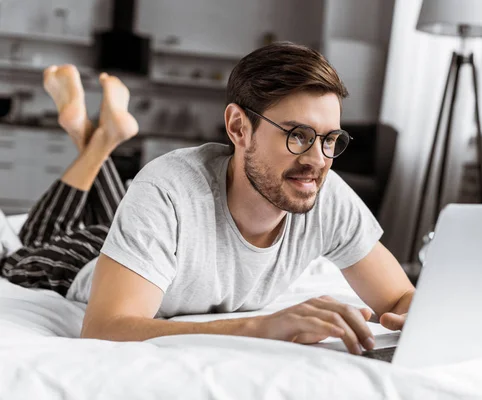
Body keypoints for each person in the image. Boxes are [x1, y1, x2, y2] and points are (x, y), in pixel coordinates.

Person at [78, 42, 415, 355]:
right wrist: (264, 327)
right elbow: (104, 328)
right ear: (239, 127)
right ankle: (84, 133)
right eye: (297, 135)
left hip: (151, 239)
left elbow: (401, 297)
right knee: (52, 230)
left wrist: (418, 317)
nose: (318, 160)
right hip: (77, 258)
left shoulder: (326, 195)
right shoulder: (168, 189)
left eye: (330, 140)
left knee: (111, 203)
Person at [0, 65, 139, 294]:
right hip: (116, 254)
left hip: (123, 242)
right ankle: (97, 135)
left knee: (119, 228)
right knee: (33, 246)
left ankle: (92, 134)